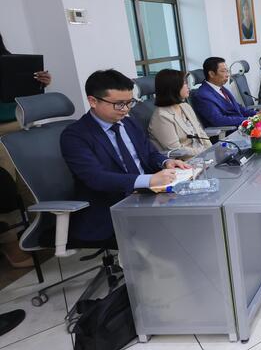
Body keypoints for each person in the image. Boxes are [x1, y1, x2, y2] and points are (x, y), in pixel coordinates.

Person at [60, 70, 189, 244]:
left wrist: (166, 162)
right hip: (110, 208)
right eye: (119, 104)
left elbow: (149, 153)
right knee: (174, 237)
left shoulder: (128, 123)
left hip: (149, 198)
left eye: (129, 103)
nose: (126, 109)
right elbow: (96, 178)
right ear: (93, 101)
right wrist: (149, 180)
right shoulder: (75, 135)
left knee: (195, 214)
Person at [0, 33, 50, 268]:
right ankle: (10, 243)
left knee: (32, 184)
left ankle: (39, 231)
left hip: (24, 123)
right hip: (1, 131)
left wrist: (41, 82)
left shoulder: (10, 63)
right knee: (7, 190)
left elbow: (25, 94)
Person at [148, 69, 210, 159]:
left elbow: (201, 133)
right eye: (184, 83)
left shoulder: (185, 106)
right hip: (185, 161)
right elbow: (176, 150)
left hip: (203, 156)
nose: (188, 86)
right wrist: (202, 152)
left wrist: (211, 150)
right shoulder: (161, 116)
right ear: (173, 87)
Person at [190, 57, 260, 128]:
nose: (227, 75)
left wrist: (257, 114)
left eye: (227, 71)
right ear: (211, 74)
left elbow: (238, 108)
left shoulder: (221, 88)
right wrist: (249, 120)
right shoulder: (202, 95)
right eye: (223, 71)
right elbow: (219, 120)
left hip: (242, 126)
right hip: (230, 131)